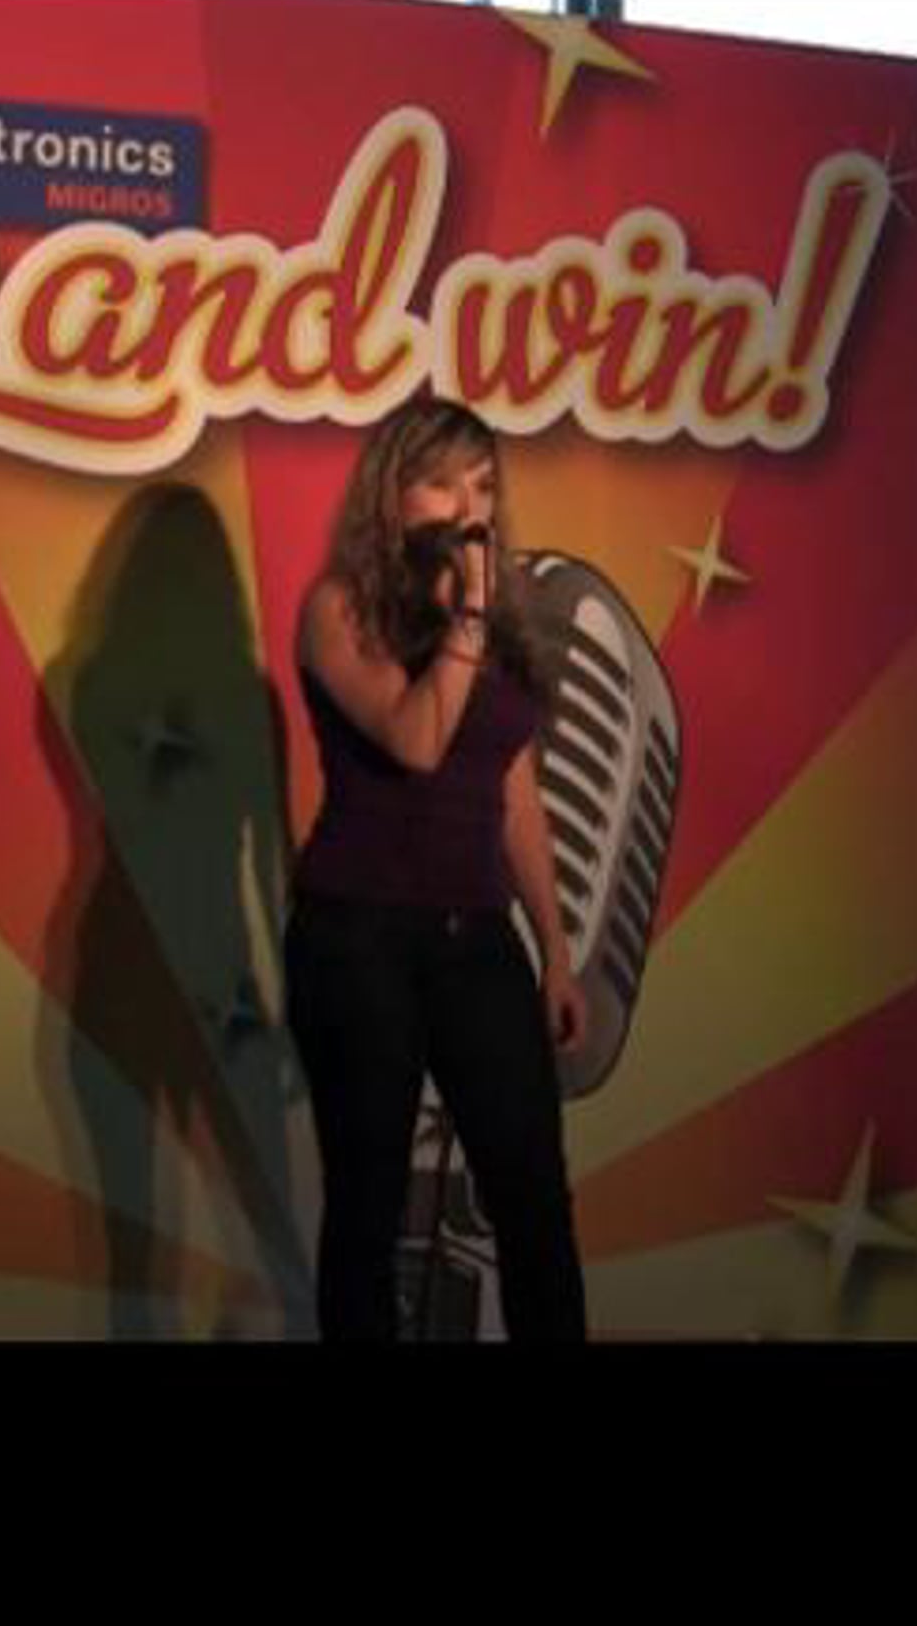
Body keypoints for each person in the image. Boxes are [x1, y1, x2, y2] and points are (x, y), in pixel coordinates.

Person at [286, 396, 590, 1341]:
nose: (469, 507)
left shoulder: (496, 623)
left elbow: (514, 794)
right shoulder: (339, 608)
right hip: (358, 936)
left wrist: (555, 947)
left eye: (484, 485)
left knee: (533, 1196)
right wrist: (467, 619)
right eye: (443, 483)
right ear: (392, 494)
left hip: (475, 937)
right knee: (368, 1206)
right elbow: (417, 741)